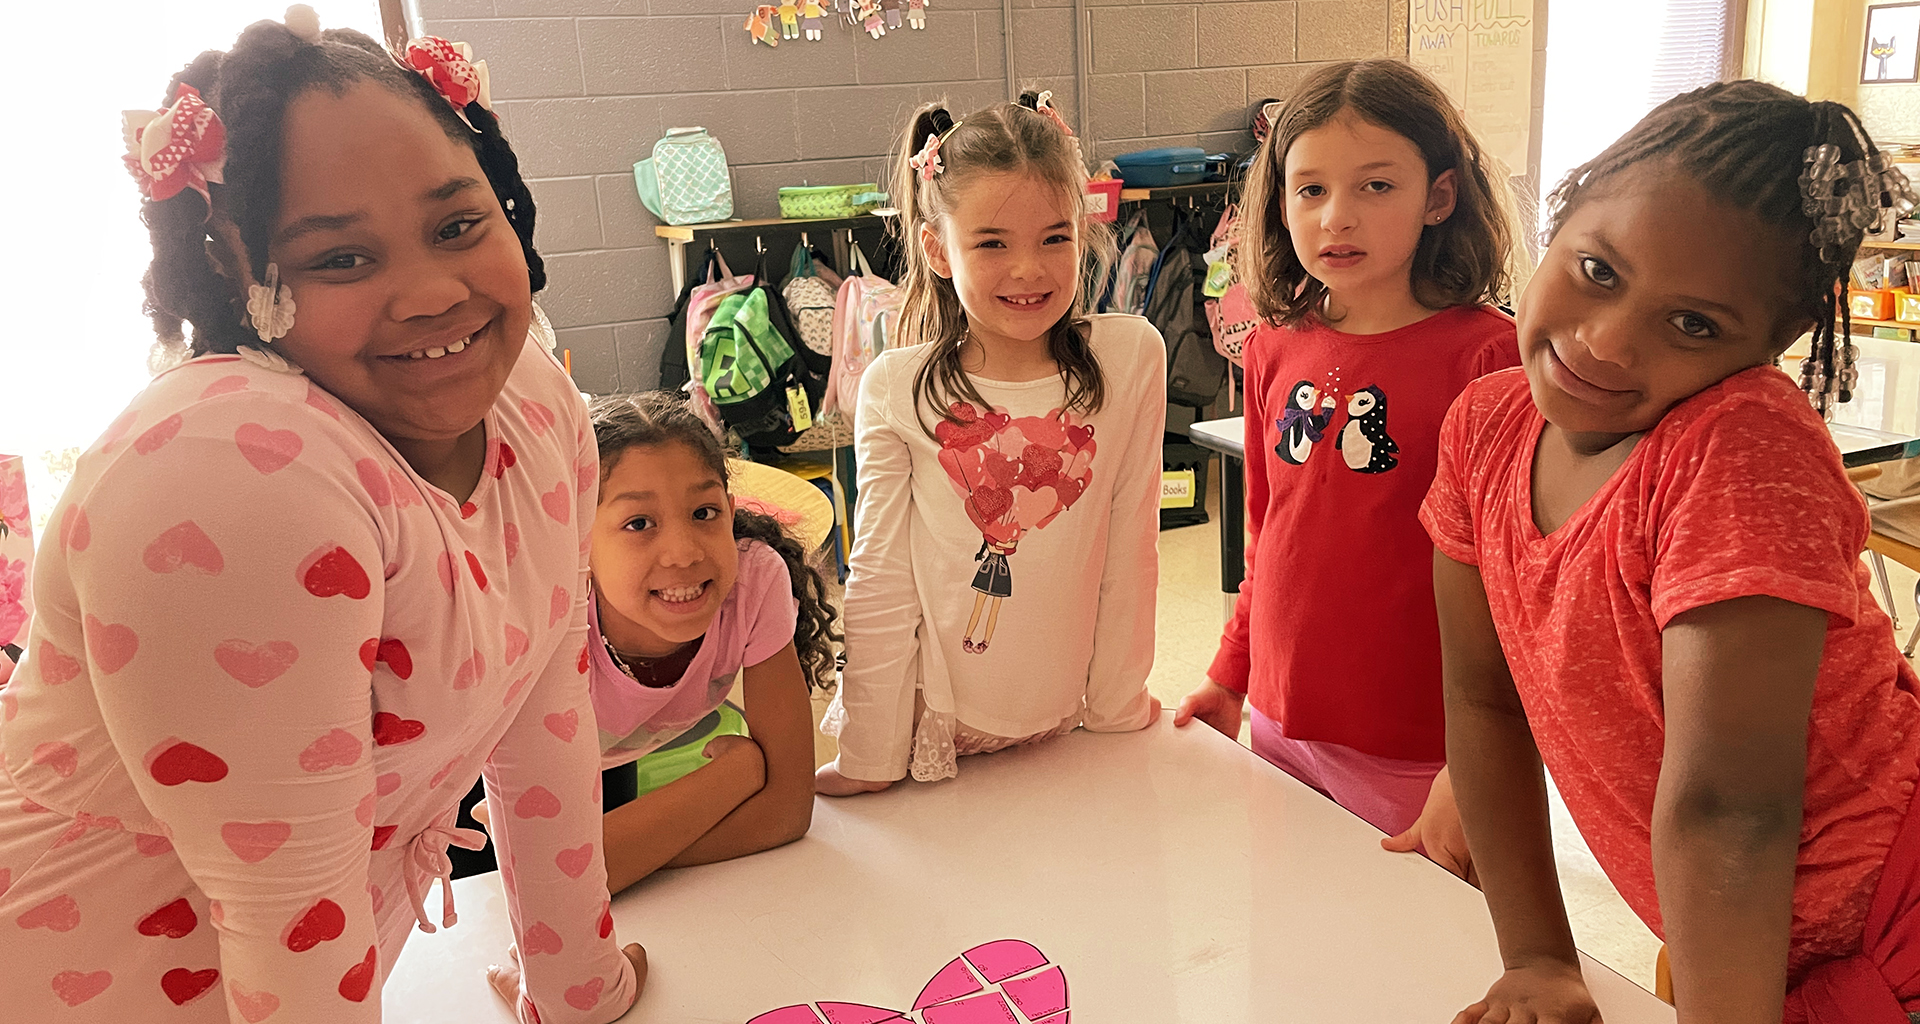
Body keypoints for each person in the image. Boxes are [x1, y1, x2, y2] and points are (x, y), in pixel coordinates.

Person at [0, 11, 641, 1022]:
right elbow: (285, 925)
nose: (433, 293)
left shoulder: (530, 400)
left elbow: (544, 719)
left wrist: (583, 991)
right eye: (340, 259)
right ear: (232, 271)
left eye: (459, 224)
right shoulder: (226, 469)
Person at [1423, 81, 1920, 1020]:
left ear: (1780, 340)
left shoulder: (1738, 445)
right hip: (1753, 951)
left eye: (1694, 325)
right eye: (1599, 271)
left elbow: (1732, 809)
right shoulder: (1482, 430)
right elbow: (1483, 700)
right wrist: (1539, 958)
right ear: (1563, 212)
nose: (1605, 344)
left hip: (1896, 925)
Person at [1173, 60, 1521, 875]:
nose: (1337, 217)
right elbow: (1270, 535)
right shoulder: (1272, 343)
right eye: (1310, 190)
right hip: (1282, 724)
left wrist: (1472, 769)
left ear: (1439, 197)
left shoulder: (1488, 356)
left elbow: (1515, 592)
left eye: (1375, 187)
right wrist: (1232, 676)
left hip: (1420, 752)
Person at [814, 95, 1164, 795]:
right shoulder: (897, 386)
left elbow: (1131, 545)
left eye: (1055, 238)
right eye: (993, 242)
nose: (1029, 269)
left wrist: (1118, 707)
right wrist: (872, 757)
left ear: (1084, 229)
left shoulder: (1130, 359)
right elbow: (878, 578)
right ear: (938, 248)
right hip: (934, 724)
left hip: (1060, 726)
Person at [471, 392, 836, 893]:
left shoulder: (753, 581)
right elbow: (552, 885)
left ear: (731, 512)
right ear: (579, 539)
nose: (684, 553)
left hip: (613, 757)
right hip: (472, 778)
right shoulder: (548, 616)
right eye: (639, 523)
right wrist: (738, 774)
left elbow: (789, 812)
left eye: (704, 513)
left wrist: (622, 856)